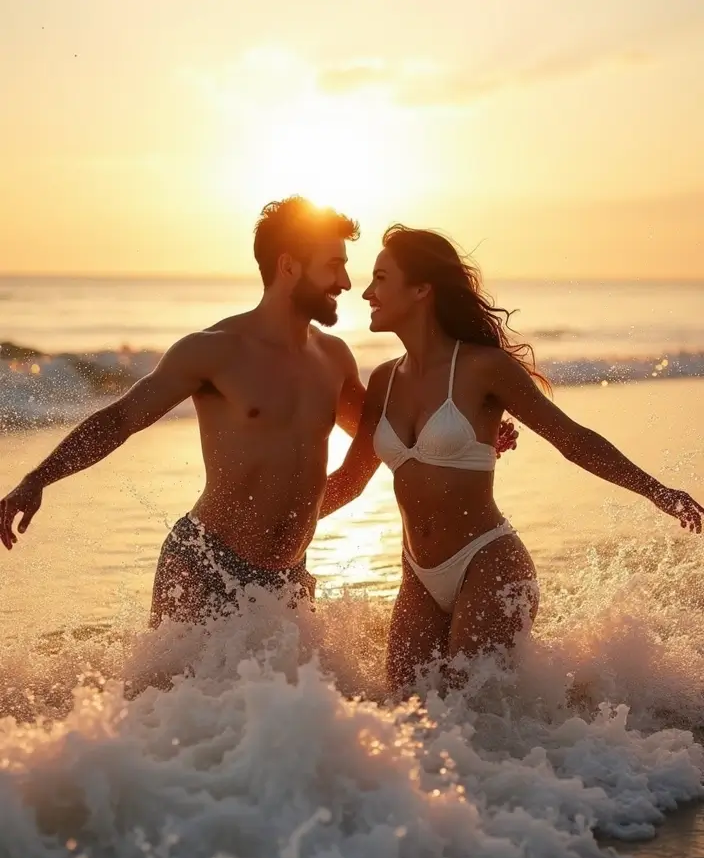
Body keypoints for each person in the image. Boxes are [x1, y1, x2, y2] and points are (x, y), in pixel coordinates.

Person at [0, 195, 518, 630]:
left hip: (290, 578)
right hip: (204, 564)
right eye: (333, 264)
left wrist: (466, 429)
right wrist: (38, 478)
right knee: (171, 725)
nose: (344, 281)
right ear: (289, 264)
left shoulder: (333, 359)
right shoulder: (213, 351)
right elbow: (120, 419)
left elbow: (382, 440)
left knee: (284, 733)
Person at [320, 225, 704, 694]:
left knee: (475, 721)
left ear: (421, 289)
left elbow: (571, 438)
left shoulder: (484, 367)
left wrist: (657, 491)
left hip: (488, 565)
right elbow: (349, 482)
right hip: (417, 578)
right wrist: (253, 533)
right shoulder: (383, 380)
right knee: (405, 715)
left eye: (380, 278)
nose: (367, 292)